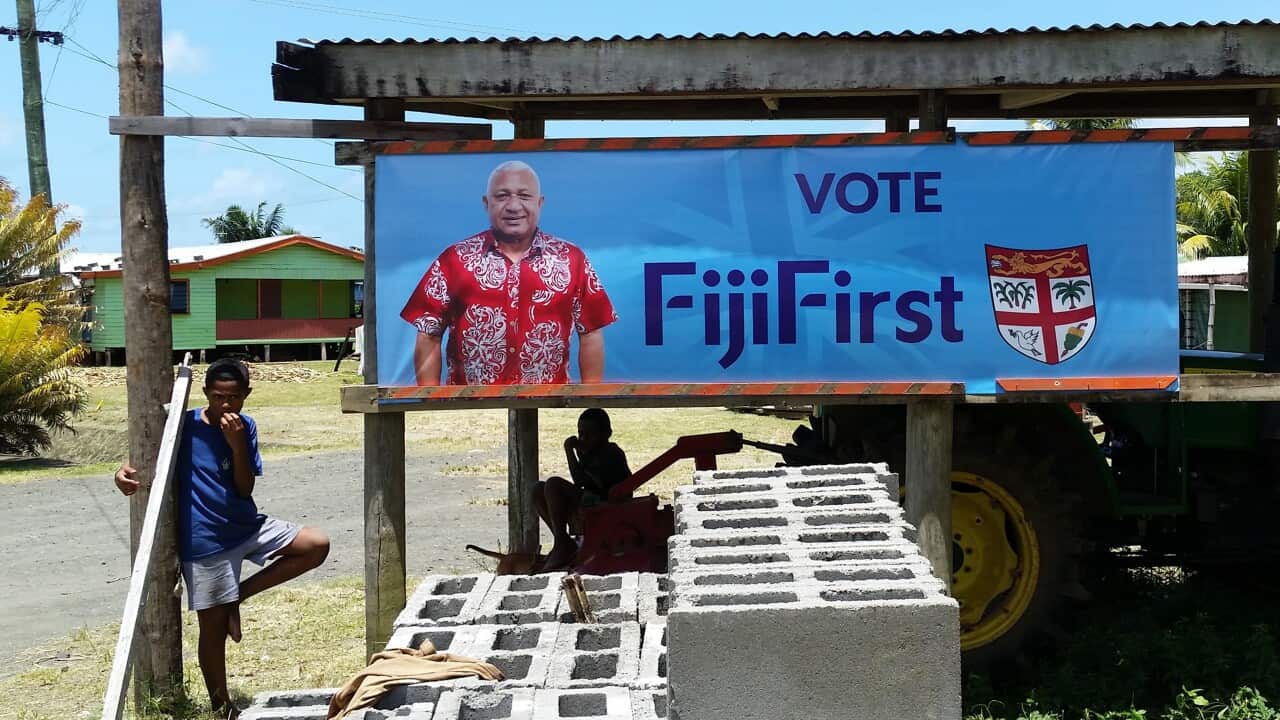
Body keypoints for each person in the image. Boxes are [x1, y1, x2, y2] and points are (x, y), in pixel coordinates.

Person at [113, 359, 329, 717]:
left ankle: (236, 599)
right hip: (205, 540)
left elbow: (244, 488)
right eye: (218, 397)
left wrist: (237, 445)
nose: (226, 405)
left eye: (233, 397)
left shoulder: (246, 427)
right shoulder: (183, 426)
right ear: (205, 394)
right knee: (211, 633)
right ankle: (221, 706)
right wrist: (122, 473)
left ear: (246, 395)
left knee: (316, 545)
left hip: (246, 525)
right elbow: (144, 458)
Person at [400, 160, 617, 386]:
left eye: (524, 196)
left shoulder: (571, 259)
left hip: (551, 404)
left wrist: (590, 399)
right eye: (502, 196)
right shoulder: (454, 260)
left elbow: (591, 333)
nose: (514, 206)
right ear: (486, 203)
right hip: (469, 408)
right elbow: (428, 334)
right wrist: (431, 402)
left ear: (540, 203)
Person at [534, 408, 631, 570]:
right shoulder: (589, 452)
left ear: (607, 433)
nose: (584, 439)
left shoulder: (611, 453)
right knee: (537, 489)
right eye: (581, 434)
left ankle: (561, 543)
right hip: (591, 499)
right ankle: (562, 540)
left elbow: (579, 481)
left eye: (589, 434)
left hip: (607, 504)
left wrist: (570, 452)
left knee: (553, 484)